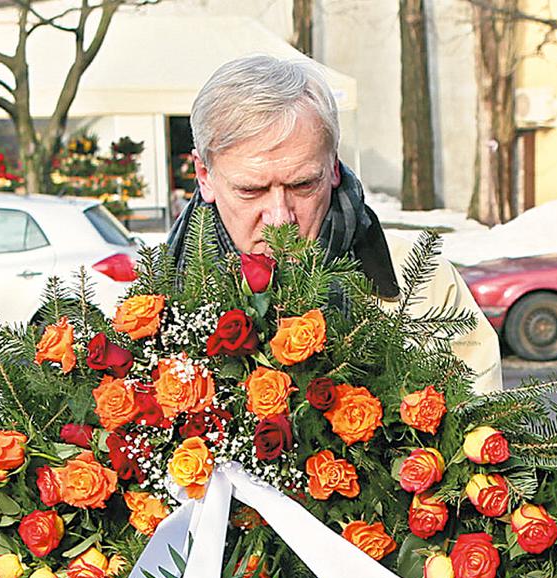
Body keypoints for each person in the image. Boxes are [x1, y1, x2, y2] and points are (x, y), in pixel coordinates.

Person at [168, 55, 502, 393]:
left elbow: (481, 431)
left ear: (334, 166)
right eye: (251, 190)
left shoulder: (424, 283)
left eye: (302, 185)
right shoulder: (156, 306)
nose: (280, 218)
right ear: (204, 176)